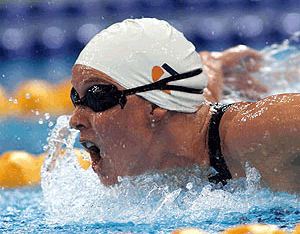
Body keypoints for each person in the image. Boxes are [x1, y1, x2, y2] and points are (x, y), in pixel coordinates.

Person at [69, 18, 300, 192]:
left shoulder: (257, 132)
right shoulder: (182, 132)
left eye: (98, 96)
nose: (74, 120)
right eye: (75, 98)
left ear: (155, 103)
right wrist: (214, 64)